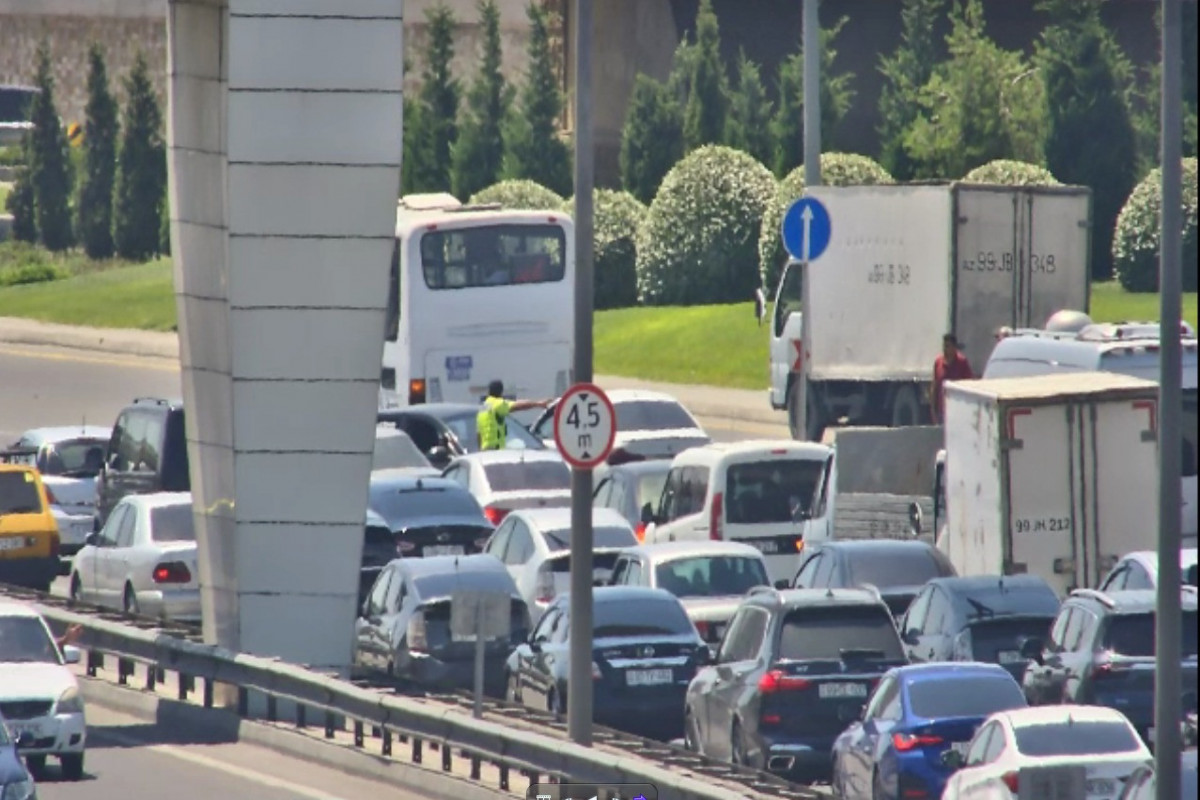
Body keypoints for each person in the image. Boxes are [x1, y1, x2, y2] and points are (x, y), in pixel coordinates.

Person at [476, 380, 550, 451]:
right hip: (496, 450)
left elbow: (479, 434)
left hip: (485, 450)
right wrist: (538, 404)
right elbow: (518, 406)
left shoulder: (483, 407)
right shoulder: (497, 404)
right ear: (501, 392)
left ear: (489, 392)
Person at [930, 332, 975, 425]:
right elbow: (934, 388)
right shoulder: (938, 362)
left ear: (954, 348)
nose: (945, 349)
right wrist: (933, 412)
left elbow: (970, 386)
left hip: (958, 411)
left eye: (948, 346)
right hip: (942, 411)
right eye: (944, 346)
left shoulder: (962, 363)